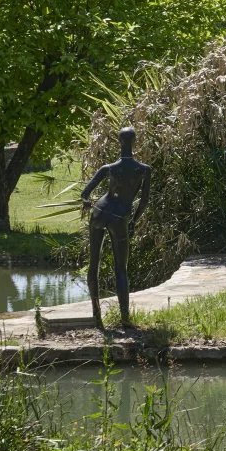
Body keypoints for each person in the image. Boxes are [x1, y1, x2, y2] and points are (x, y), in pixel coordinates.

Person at [79, 126, 151, 329]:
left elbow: (85, 194)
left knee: (94, 264)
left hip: (100, 212)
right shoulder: (144, 170)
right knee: (121, 269)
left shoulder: (108, 168)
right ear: (134, 142)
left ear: (119, 142)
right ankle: (125, 319)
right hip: (119, 217)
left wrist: (86, 201)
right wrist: (133, 222)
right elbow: (144, 201)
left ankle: (97, 318)